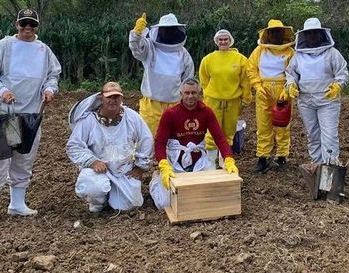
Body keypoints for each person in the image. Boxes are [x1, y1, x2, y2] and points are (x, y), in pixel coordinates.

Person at [0, 9, 61, 225]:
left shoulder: (44, 50)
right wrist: (2, 90)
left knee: (24, 158)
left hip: (31, 112)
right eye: (24, 24)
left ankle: (17, 204)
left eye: (32, 24)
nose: (28, 28)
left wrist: (50, 90)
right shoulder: (3, 46)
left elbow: (53, 75)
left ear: (37, 27)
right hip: (3, 111)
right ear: (17, 24)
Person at [150, 78, 239, 209]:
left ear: (199, 93)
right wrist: (163, 164)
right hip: (176, 159)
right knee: (164, 203)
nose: (190, 96)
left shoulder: (206, 112)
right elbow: (160, 142)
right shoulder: (170, 114)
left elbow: (219, 138)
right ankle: (155, 181)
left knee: (211, 196)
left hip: (198, 159)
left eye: (193, 93)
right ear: (181, 94)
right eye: (187, 93)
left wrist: (228, 159)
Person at [66, 82, 153, 213]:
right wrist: (92, 161)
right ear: (101, 98)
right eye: (109, 97)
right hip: (99, 170)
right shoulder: (89, 120)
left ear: (121, 98)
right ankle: (99, 202)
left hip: (124, 170)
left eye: (116, 97)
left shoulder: (131, 117)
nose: (113, 100)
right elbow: (74, 145)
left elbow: (146, 139)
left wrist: (140, 167)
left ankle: (114, 196)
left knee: (132, 205)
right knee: (93, 187)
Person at [285, 18, 348, 165]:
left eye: (315, 33)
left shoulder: (332, 53)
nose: (312, 36)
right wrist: (291, 85)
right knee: (313, 135)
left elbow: (342, 73)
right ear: (304, 36)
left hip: (328, 100)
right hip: (306, 101)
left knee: (329, 136)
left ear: (321, 34)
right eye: (309, 33)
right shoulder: (298, 56)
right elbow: (291, 74)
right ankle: (318, 167)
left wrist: (338, 85)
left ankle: (330, 169)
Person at [129, 12, 194, 136]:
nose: (168, 33)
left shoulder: (183, 53)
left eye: (171, 30)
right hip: (152, 105)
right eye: (166, 30)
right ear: (159, 30)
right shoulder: (150, 47)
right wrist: (136, 34)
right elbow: (136, 49)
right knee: (149, 140)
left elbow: (188, 80)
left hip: (175, 105)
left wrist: (188, 101)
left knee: (174, 142)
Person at [199, 29, 252, 168]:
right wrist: (208, 95)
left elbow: (245, 80)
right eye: (220, 40)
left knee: (228, 132)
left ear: (230, 41)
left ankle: (225, 161)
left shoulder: (240, 59)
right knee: (211, 131)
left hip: (233, 101)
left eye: (226, 39)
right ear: (216, 42)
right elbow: (204, 79)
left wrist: (246, 98)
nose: (223, 42)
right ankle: (210, 164)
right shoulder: (208, 59)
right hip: (213, 101)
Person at [247, 19, 295, 173]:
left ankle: (282, 156)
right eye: (272, 32)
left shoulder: (289, 52)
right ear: (267, 34)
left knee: (282, 123)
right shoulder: (259, 51)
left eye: (277, 32)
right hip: (263, 90)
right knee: (263, 124)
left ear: (282, 34)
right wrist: (257, 85)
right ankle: (262, 157)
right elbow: (251, 68)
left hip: (283, 90)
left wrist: (287, 89)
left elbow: (294, 72)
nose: (275, 35)